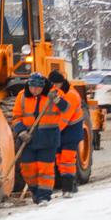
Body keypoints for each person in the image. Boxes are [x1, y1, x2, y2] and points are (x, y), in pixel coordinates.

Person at [12, 72, 71, 204]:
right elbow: (16, 117)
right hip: (28, 140)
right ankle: (35, 191)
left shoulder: (53, 94)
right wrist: (21, 132)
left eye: (37, 88)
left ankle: (44, 196)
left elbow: (66, 109)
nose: (34, 91)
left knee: (45, 170)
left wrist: (56, 99)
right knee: (28, 169)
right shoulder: (22, 96)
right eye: (32, 88)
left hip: (48, 139)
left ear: (43, 87)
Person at [49, 70, 84, 197]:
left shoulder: (71, 95)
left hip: (71, 132)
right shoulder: (56, 92)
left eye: (55, 84)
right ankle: (71, 183)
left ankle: (69, 188)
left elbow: (65, 118)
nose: (54, 86)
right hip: (60, 132)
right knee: (59, 160)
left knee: (67, 160)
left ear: (60, 83)